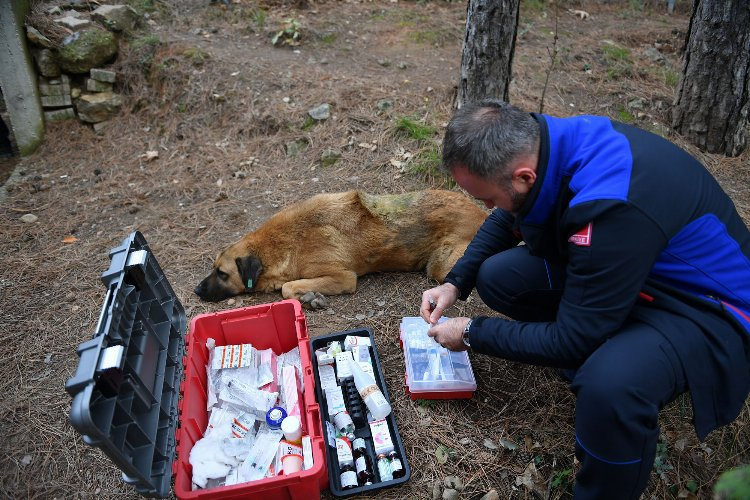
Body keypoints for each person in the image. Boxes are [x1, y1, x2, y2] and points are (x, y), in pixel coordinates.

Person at [421, 99, 750, 499]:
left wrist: (472, 331)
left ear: (523, 176)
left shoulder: (609, 205)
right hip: (635, 271)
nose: (488, 207)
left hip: (703, 308)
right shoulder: (548, 143)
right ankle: (616, 345)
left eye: (488, 198)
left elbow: (573, 339)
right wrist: (456, 283)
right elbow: (507, 217)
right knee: (498, 276)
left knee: (609, 385)